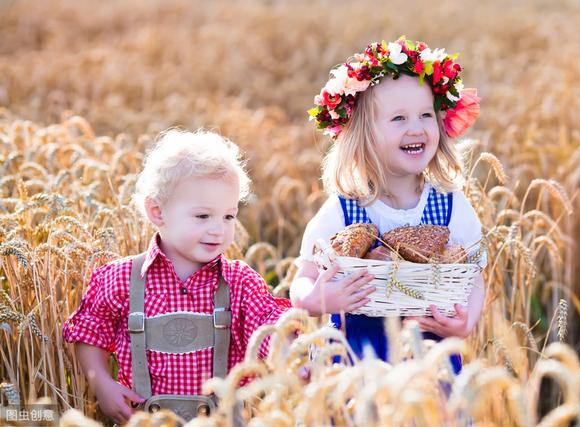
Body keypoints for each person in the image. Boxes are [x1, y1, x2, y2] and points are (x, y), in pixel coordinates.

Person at [63, 130, 290, 424]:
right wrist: (102, 385)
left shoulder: (239, 283)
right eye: (203, 216)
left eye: (229, 216)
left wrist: (292, 359)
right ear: (157, 212)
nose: (218, 229)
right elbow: (88, 332)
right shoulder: (122, 279)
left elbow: (270, 329)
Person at [290, 37, 486, 370]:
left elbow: (474, 274)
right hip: (355, 356)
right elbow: (303, 277)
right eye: (398, 119)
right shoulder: (345, 210)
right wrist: (316, 299)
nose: (416, 128)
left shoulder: (450, 204)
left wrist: (465, 320)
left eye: (425, 115)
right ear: (364, 134)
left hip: (429, 352)